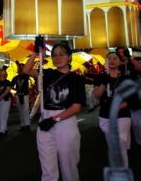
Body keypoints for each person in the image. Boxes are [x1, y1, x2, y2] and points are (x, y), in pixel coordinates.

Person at [23, 39, 85, 181]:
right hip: (45, 119)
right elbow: (26, 70)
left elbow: (76, 107)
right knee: (47, 166)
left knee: (69, 164)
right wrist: (35, 51)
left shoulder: (76, 79)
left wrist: (53, 120)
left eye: (61, 54)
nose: (57, 57)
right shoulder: (48, 74)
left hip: (65, 122)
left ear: (69, 57)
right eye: (54, 55)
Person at [93, 52, 132, 167]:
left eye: (115, 58)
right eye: (109, 58)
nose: (112, 61)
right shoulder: (101, 77)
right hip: (105, 116)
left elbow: (130, 99)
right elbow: (96, 95)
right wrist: (104, 82)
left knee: (120, 144)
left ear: (120, 62)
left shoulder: (125, 79)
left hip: (122, 116)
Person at [115, 46, 141, 146]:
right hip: (122, 96)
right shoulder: (117, 64)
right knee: (123, 121)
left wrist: (130, 58)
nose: (121, 54)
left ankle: (139, 142)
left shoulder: (132, 63)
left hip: (134, 95)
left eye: (123, 52)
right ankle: (126, 145)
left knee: (136, 122)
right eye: (119, 53)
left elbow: (140, 68)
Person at [0, 68, 12, 137]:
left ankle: (2, 132)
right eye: (0, 72)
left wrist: (2, 96)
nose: (1, 73)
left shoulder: (7, 82)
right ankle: (5, 129)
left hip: (5, 100)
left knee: (3, 115)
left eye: (3, 71)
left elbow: (7, 90)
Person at [11, 63, 31, 131]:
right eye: (20, 67)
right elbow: (11, 86)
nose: (21, 69)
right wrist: (16, 90)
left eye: (23, 67)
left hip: (25, 94)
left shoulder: (26, 76)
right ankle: (22, 125)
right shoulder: (15, 78)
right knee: (20, 110)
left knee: (26, 110)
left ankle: (27, 125)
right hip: (18, 95)